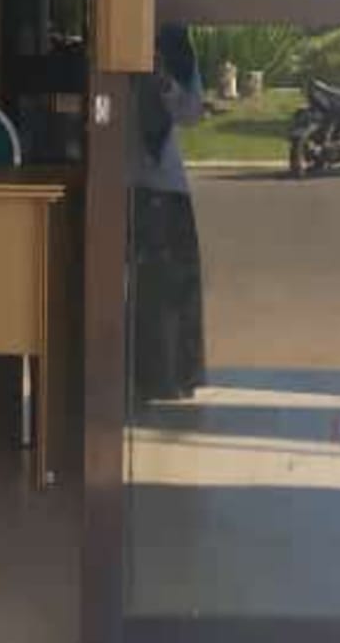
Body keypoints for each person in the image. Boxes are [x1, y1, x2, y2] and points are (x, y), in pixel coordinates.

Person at [131, 23, 205, 404]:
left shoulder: (178, 50)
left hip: (164, 183)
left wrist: (164, 81)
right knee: (131, 290)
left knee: (172, 286)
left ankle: (172, 376)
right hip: (121, 181)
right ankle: (130, 377)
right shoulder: (114, 41)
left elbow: (192, 113)